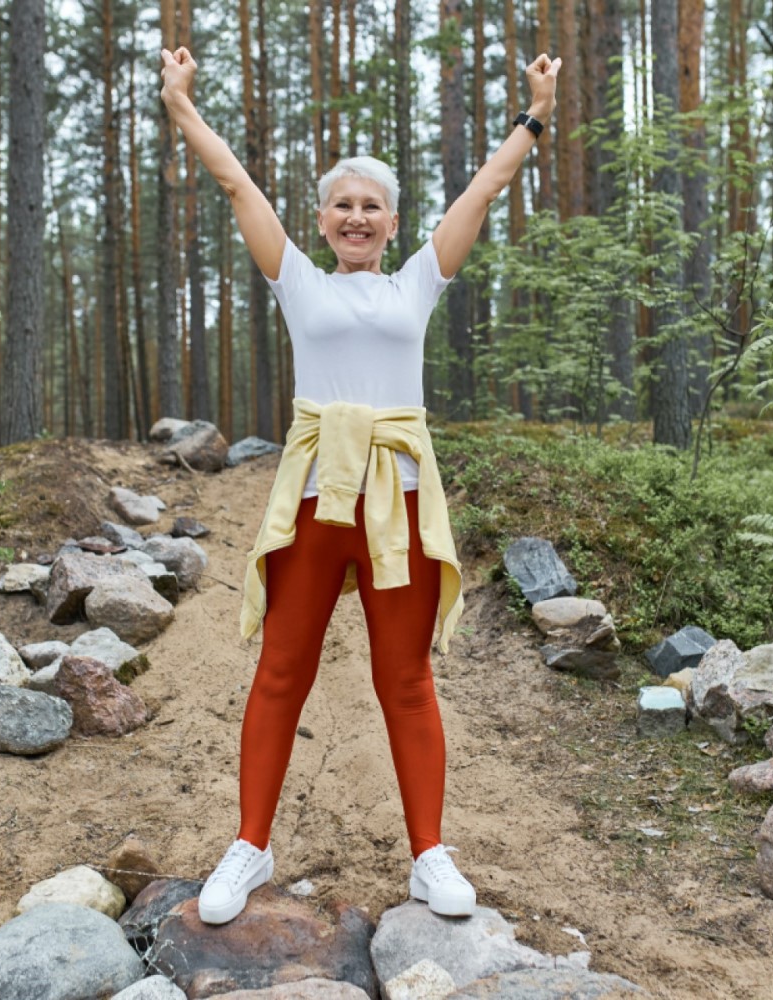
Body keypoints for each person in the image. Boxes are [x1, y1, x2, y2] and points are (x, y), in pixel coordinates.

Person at [160, 43, 562, 926]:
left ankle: (429, 854)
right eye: (341, 204)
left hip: (400, 502)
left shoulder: (416, 284)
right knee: (279, 674)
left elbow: (481, 193)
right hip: (314, 501)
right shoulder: (297, 282)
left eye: (370, 206)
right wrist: (183, 106)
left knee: (407, 680)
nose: (355, 216)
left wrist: (534, 114)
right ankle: (250, 845)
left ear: (390, 221)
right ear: (322, 217)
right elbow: (236, 186)